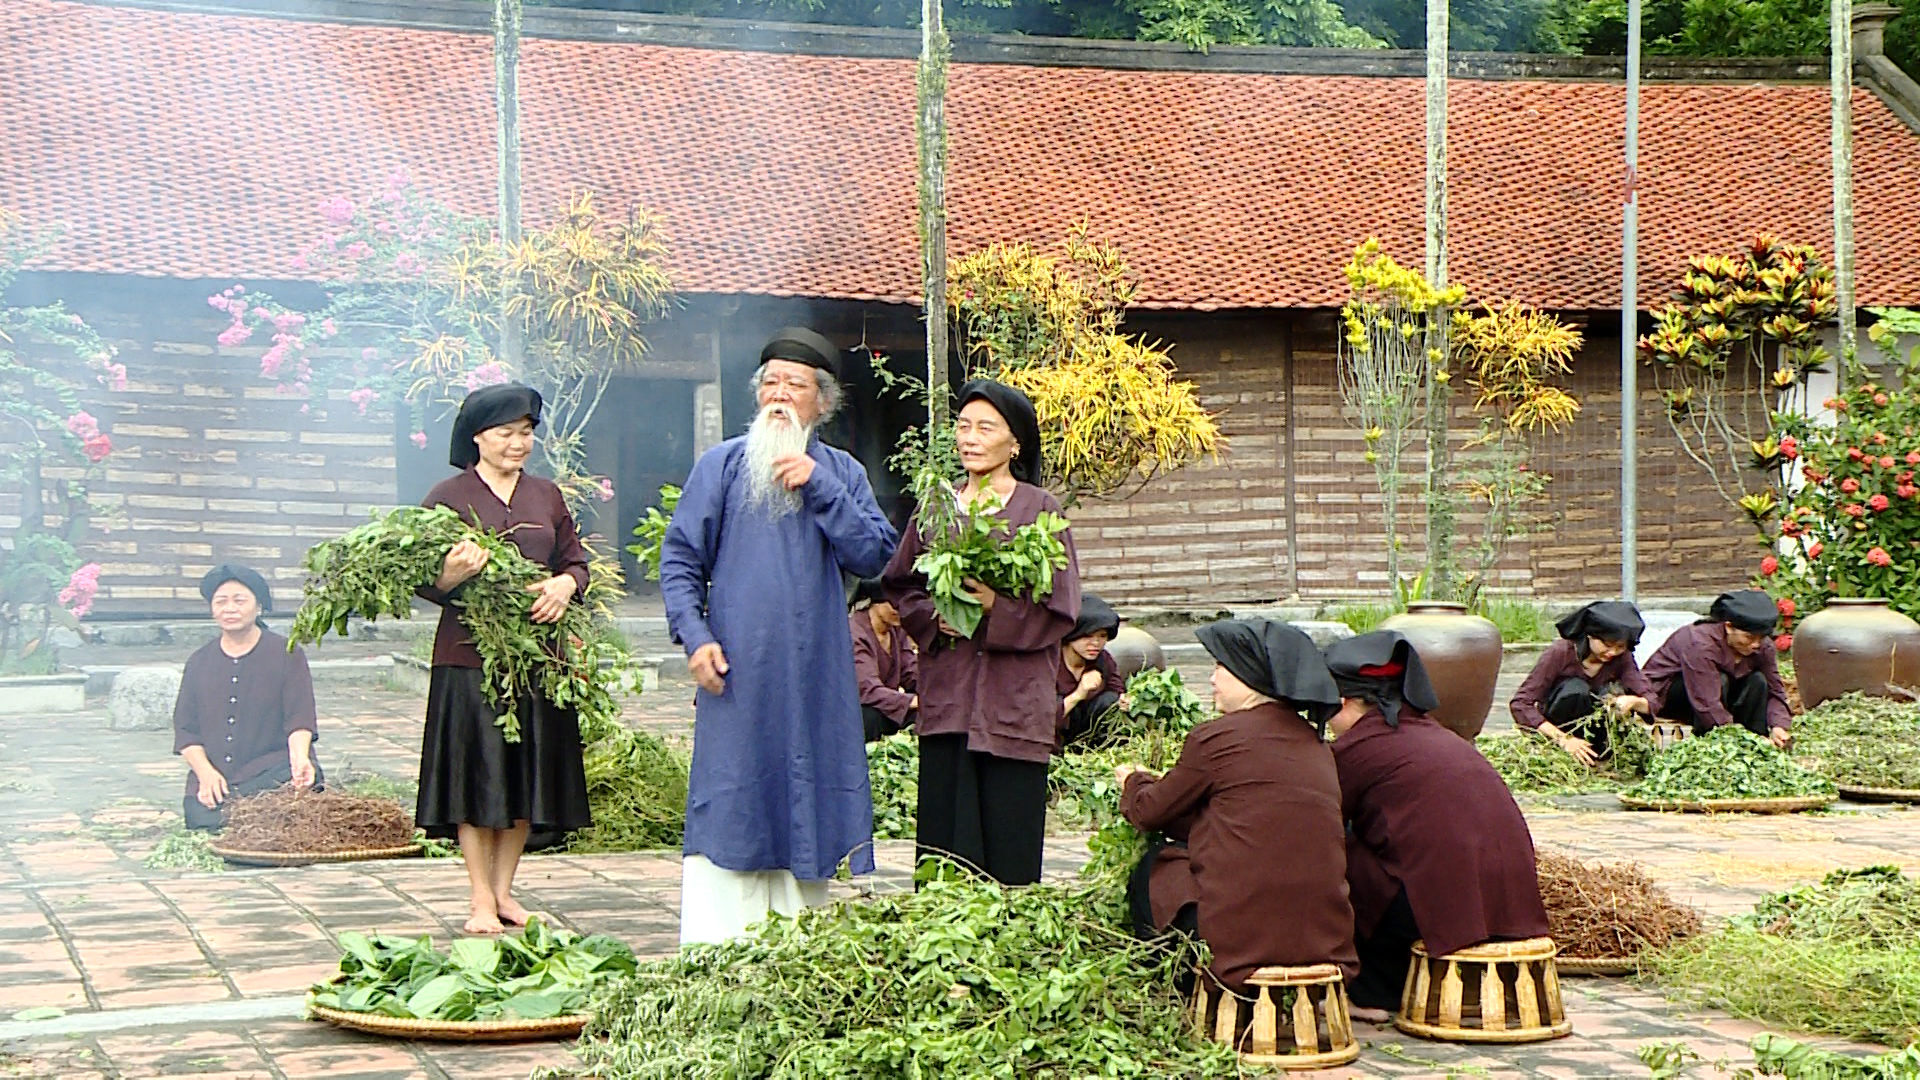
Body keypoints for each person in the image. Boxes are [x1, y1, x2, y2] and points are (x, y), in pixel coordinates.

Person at [660, 327, 898, 945]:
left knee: (808, 793)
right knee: (734, 794)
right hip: (737, 672)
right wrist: (695, 637)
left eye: (795, 385)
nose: (779, 396)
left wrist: (818, 485)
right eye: (770, 382)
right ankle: (716, 950)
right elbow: (681, 560)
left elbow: (876, 556)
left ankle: (796, 951)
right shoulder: (722, 466)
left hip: (817, 674)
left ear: (822, 401)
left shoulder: (841, 472)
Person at [883, 379, 1081, 887]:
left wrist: (995, 609)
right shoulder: (937, 507)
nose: (969, 438)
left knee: (1008, 852)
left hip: (1012, 706)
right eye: (963, 427)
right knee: (945, 851)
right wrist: (934, 616)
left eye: (985, 428)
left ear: (1015, 443)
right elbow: (901, 586)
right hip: (948, 699)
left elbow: (1061, 607)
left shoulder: (1041, 510)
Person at [416, 383, 592, 935]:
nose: (518, 444)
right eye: (505, 434)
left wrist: (565, 585)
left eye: (526, 433)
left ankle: (504, 892)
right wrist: (453, 575)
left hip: (538, 655)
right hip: (469, 655)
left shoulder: (547, 496)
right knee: (476, 776)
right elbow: (423, 581)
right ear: (477, 438)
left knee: (525, 777)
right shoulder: (447, 497)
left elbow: (576, 563)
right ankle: (477, 900)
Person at [1114, 618, 1358, 995]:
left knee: (1154, 865)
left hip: (1239, 940)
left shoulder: (1216, 737)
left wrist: (1133, 780)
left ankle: (1179, 987)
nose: (1212, 679)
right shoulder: (1316, 745)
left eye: (1219, 668)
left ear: (1248, 676)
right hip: (1324, 938)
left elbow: (1149, 812)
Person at [1325, 630, 1550, 1021]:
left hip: (1447, 899)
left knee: (1330, 855)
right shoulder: (1435, 732)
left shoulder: (1360, 747)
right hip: (1508, 897)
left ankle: (1375, 991)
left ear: (1344, 702)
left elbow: (1320, 818)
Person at [171, 565, 321, 830]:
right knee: (201, 816)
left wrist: (300, 759)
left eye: (239, 600)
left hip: (270, 770)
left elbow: (300, 718)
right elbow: (186, 731)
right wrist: (205, 774)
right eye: (221, 602)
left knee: (298, 790)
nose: (230, 608)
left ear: (259, 606)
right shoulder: (199, 661)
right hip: (219, 774)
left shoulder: (286, 653)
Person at [1509, 601, 1655, 766]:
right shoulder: (1560, 653)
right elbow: (1520, 704)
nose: (1612, 652)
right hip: (1559, 735)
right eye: (1607, 645)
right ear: (1590, 635)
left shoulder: (1622, 658)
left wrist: (1634, 702)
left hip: (1599, 738)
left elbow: (1651, 700)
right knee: (1577, 689)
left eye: (1620, 647)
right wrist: (1564, 740)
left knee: (1609, 693)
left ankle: (1599, 754)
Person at [1643, 589, 1794, 747]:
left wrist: (1779, 725)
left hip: (1719, 694)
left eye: (1761, 638)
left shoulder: (1763, 647)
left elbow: (1775, 690)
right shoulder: (1700, 643)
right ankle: (1714, 740)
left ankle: (1756, 736)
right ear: (1728, 627)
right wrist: (1738, 737)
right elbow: (1707, 702)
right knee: (1721, 680)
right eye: (1749, 637)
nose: (1756, 644)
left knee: (1758, 681)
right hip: (1670, 695)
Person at [851, 577, 918, 742]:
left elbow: (910, 672)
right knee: (869, 717)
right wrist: (911, 701)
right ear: (875, 602)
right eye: (893, 604)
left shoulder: (896, 629)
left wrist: (932, 692)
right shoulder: (855, 633)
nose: (898, 610)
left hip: (889, 704)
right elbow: (867, 689)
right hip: (861, 708)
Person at [1057, 593, 1127, 749]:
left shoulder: (1103, 660)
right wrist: (1078, 694)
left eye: (1102, 636)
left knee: (1109, 699)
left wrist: (1124, 701)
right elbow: (1040, 718)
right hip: (1054, 739)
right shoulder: (1050, 664)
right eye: (1087, 636)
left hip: (1091, 741)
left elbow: (1117, 690)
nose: (1095, 643)